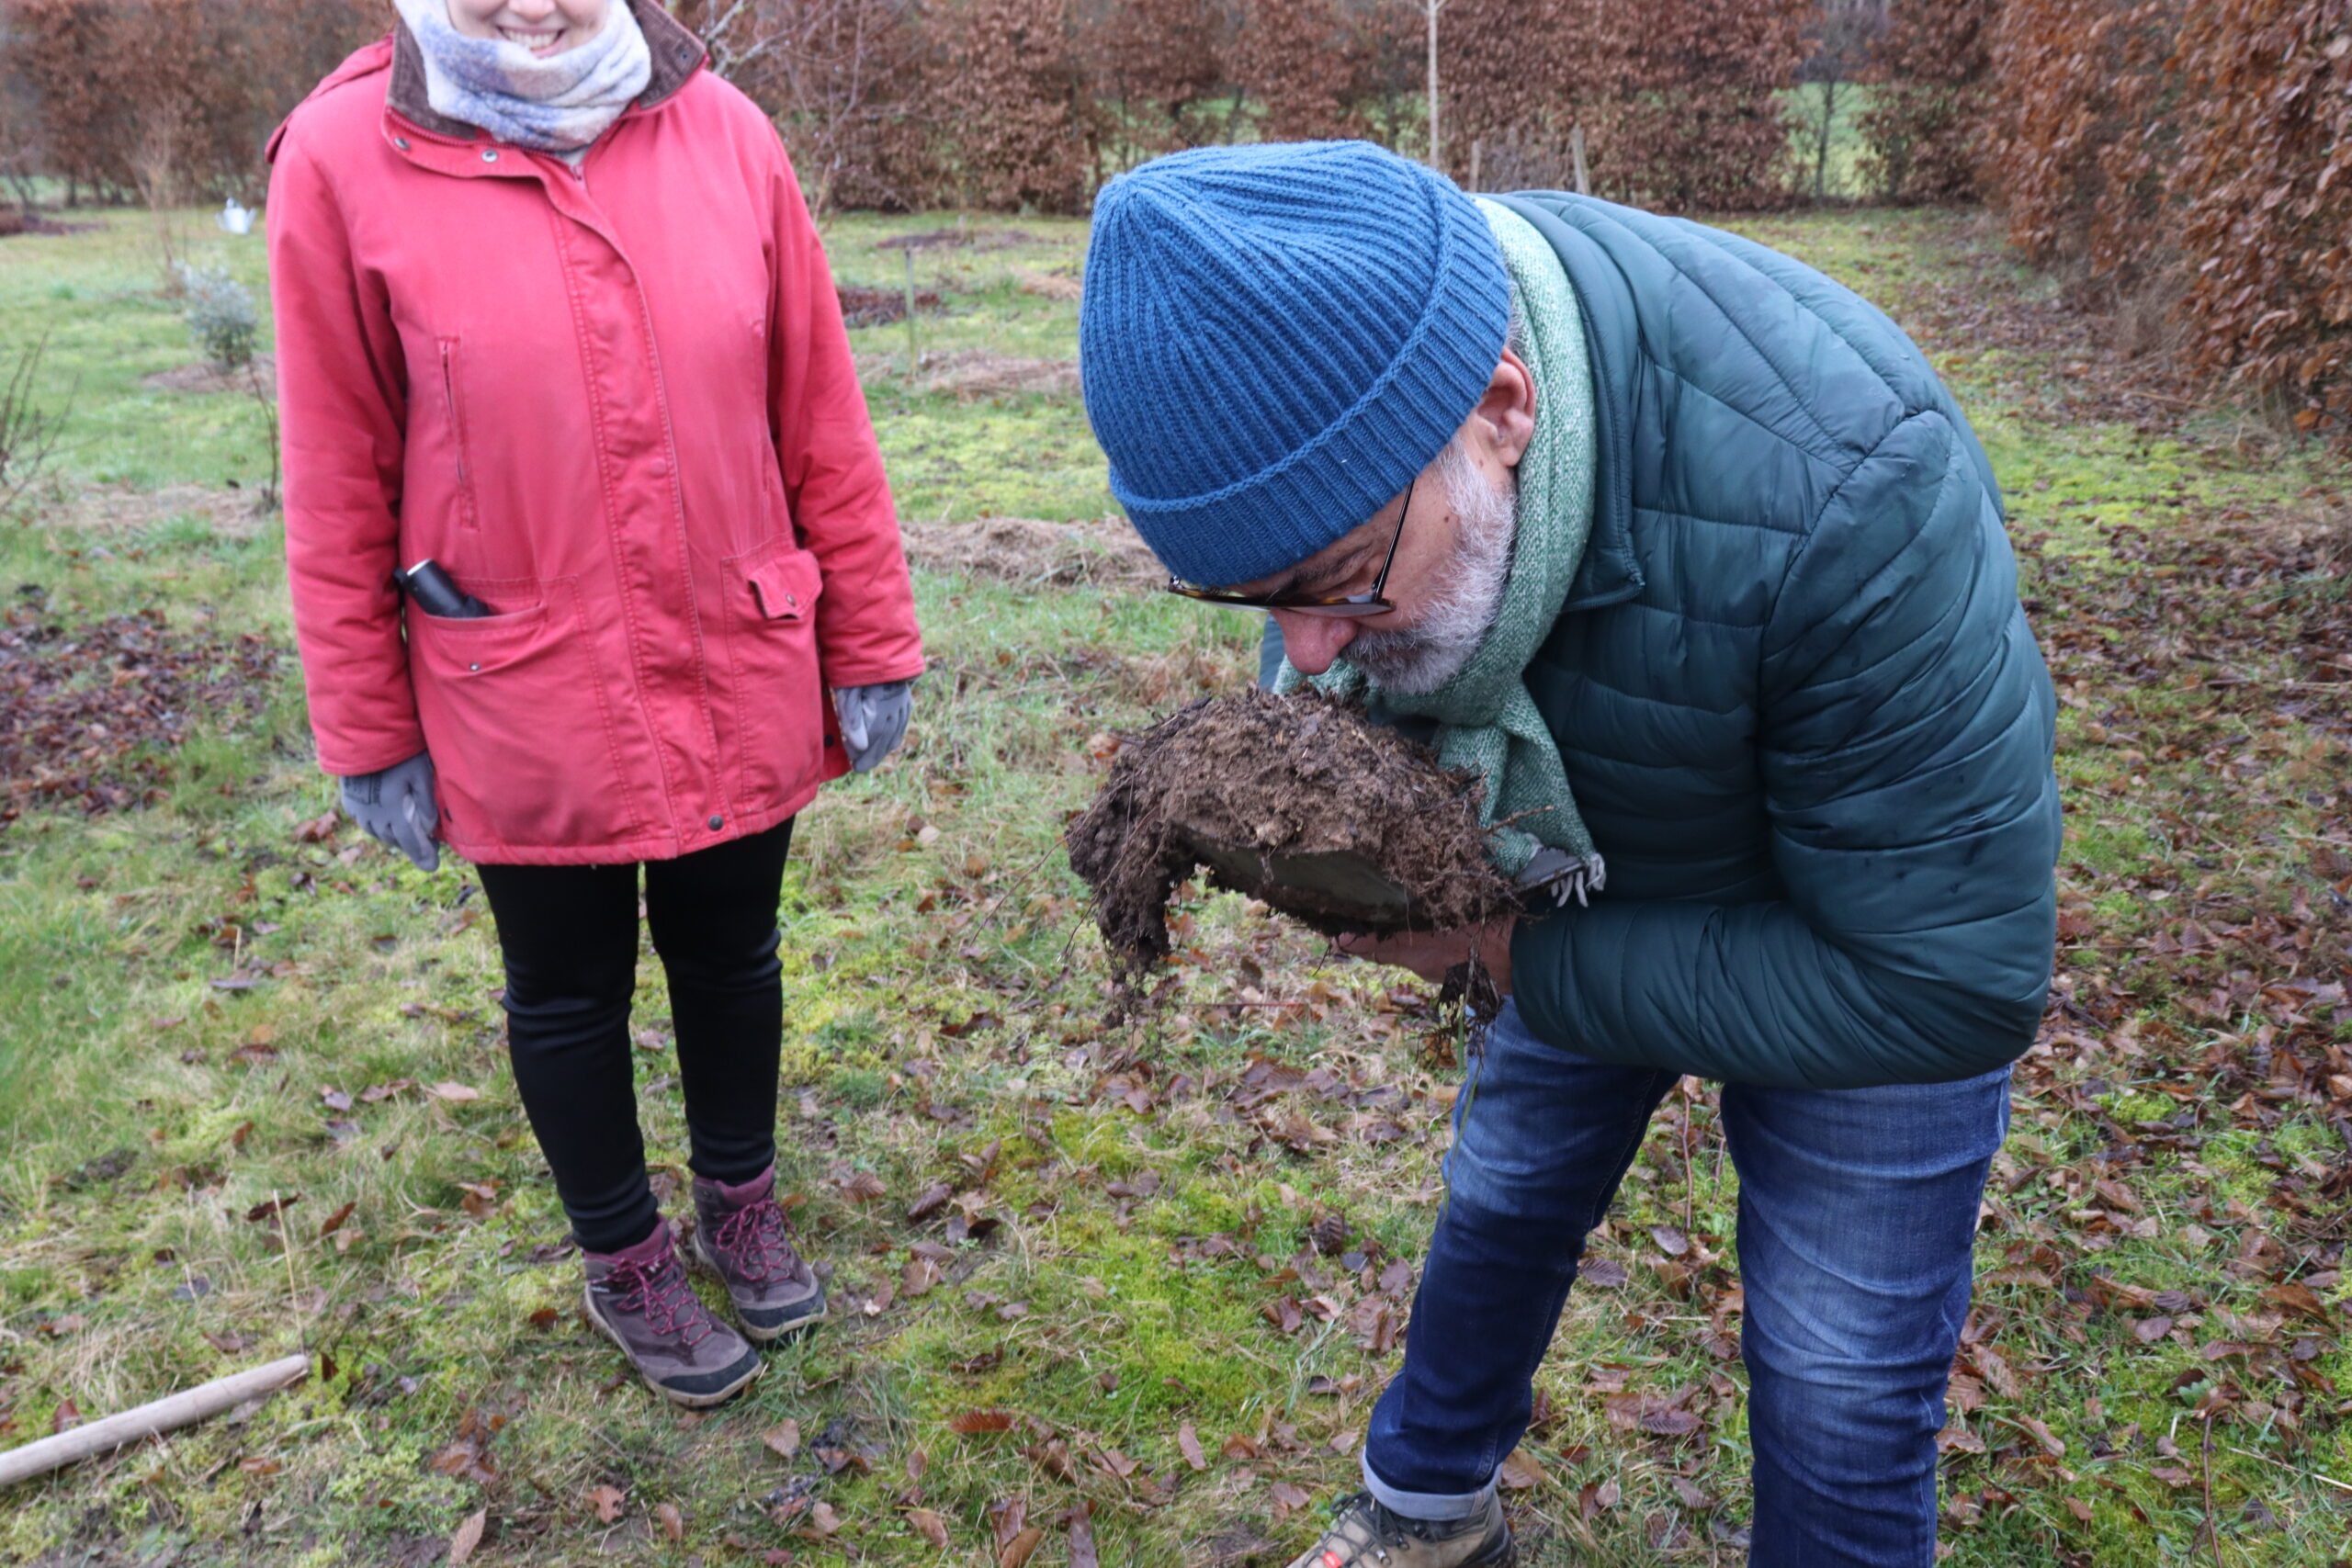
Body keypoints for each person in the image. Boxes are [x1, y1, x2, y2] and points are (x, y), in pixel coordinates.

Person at [1079, 141, 2060, 1568]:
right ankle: (1427, 1515)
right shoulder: (1380, 388)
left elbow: (1947, 986)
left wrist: (1499, 949)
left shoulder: (1857, 486)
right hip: (1592, 861)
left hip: (1874, 921)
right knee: (1507, 1184)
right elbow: (1325, 624)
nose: (1304, 657)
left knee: (1838, 1370)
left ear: (1503, 411)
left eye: (1339, 581)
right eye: (1252, 598)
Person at [266, 0, 924, 1407]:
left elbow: (820, 407)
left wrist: (871, 634)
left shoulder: (725, 133)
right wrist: (367, 728)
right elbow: (332, 469)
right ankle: (624, 1256)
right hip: (520, 674)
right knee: (567, 988)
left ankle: (739, 1199)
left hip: (733, 641)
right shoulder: (340, 155)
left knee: (733, 948)